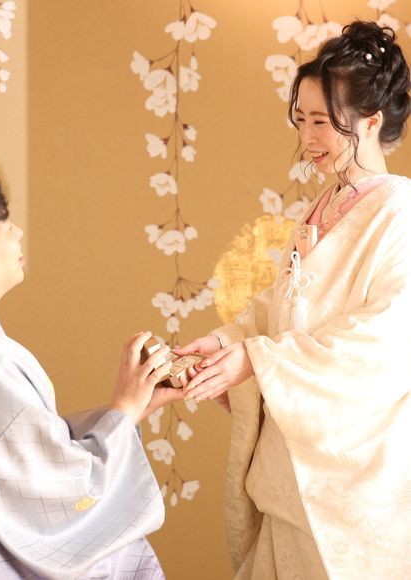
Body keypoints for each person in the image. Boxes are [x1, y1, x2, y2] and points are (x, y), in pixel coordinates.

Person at [175, 21, 411, 579]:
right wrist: (227, 343)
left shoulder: (400, 214)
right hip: (289, 467)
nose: (307, 137)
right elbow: (279, 308)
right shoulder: (323, 205)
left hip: (353, 475)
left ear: (371, 121)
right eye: (300, 120)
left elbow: (388, 341)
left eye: (322, 122)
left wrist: (257, 360)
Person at [0, 160, 183, 579]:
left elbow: (12, 451)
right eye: (4, 225)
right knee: (124, 554)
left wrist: (130, 412)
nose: (17, 232)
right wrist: (122, 413)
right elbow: (59, 488)